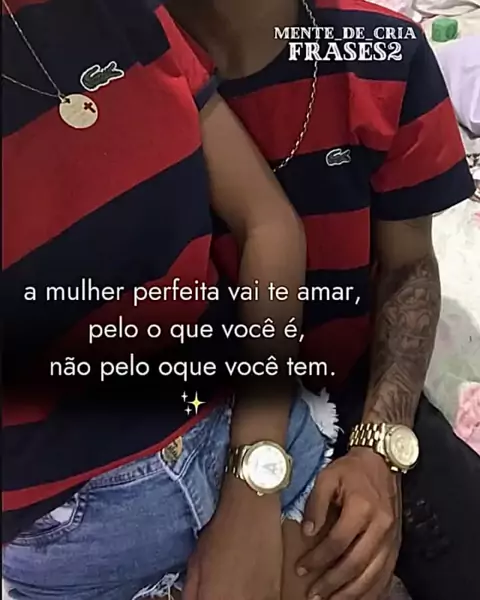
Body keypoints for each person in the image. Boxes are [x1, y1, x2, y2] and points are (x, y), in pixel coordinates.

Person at [2, 1, 339, 599]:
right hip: (76, 545)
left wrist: (255, 485)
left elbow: (267, 222)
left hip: (260, 437)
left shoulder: (126, 13)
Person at [167, 0, 480, 599]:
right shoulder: (118, 70)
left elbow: (408, 266)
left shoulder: (383, 54)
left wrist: (379, 447)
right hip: (188, 414)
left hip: (347, 377)